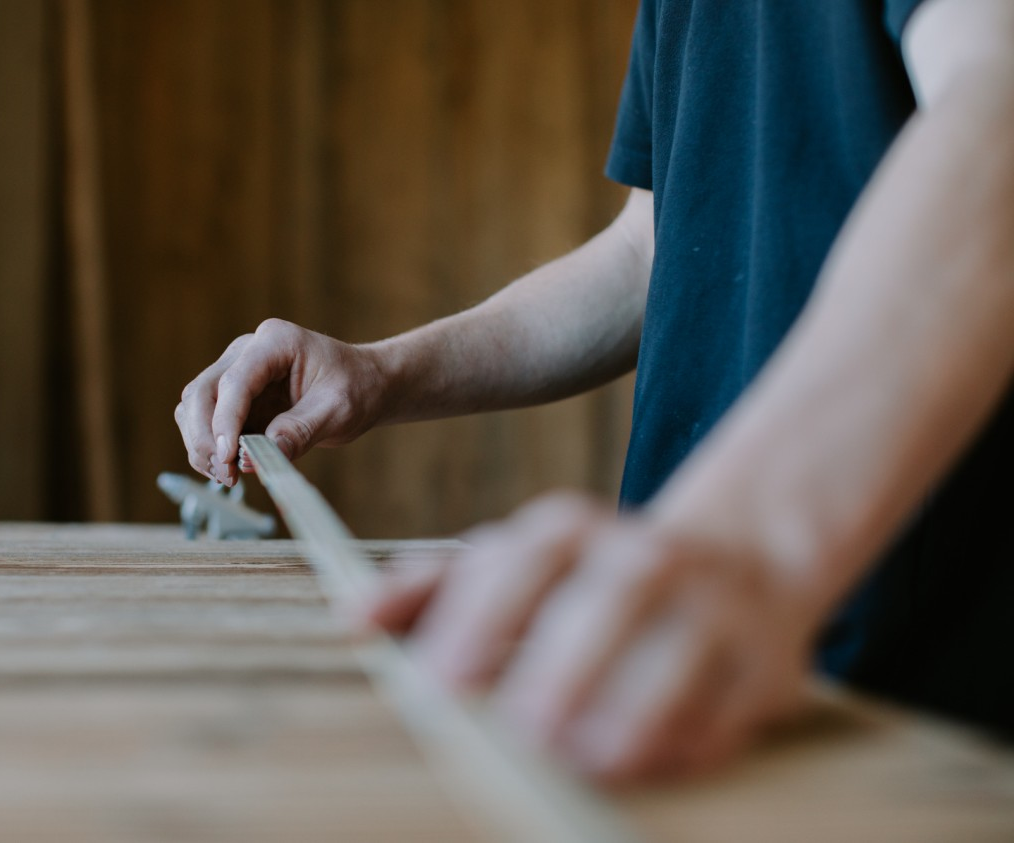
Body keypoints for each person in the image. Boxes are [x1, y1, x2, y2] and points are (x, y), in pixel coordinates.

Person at [176, 0, 1014, 782]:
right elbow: (649, 249)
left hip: (919, 685)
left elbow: (999, 99)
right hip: (692, 666)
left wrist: (752, 540)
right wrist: (379, 374)